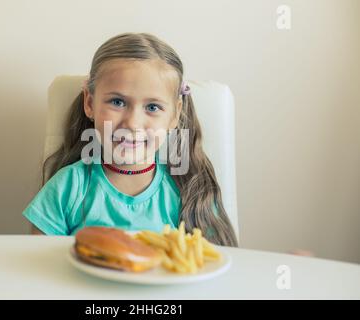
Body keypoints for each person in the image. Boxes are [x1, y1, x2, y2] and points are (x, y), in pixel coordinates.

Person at [22, 32, 238, 247]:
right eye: (117, 102)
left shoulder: (189, 193)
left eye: (152, 107)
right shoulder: (68, 187)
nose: (132, 123)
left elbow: (215, 267)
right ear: (89, 103)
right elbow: (39, 266)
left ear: (174, 115)